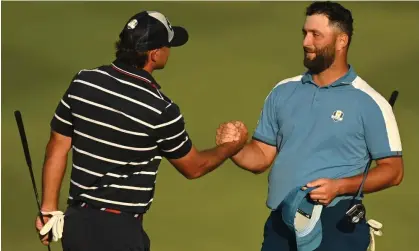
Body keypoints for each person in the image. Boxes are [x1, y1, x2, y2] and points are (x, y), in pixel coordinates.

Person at [35, 10, 248, 251]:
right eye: (168, 45)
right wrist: (231, 146)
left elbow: (57, 146)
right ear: (154, 54)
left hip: (76, 226)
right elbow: (194, 167)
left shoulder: (83, 82)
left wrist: (49, 209)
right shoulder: (160, 109)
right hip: (120, 232)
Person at [216, 1, 404, 251]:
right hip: (281, 224)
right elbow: (261, 157)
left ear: (341, 41)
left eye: (316, 35)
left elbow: (393, 171)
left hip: (335, 225)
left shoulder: (370, 102)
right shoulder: (283, 91)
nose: (306, 42)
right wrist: (234, 148)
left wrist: (340, 187)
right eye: (305, 33)